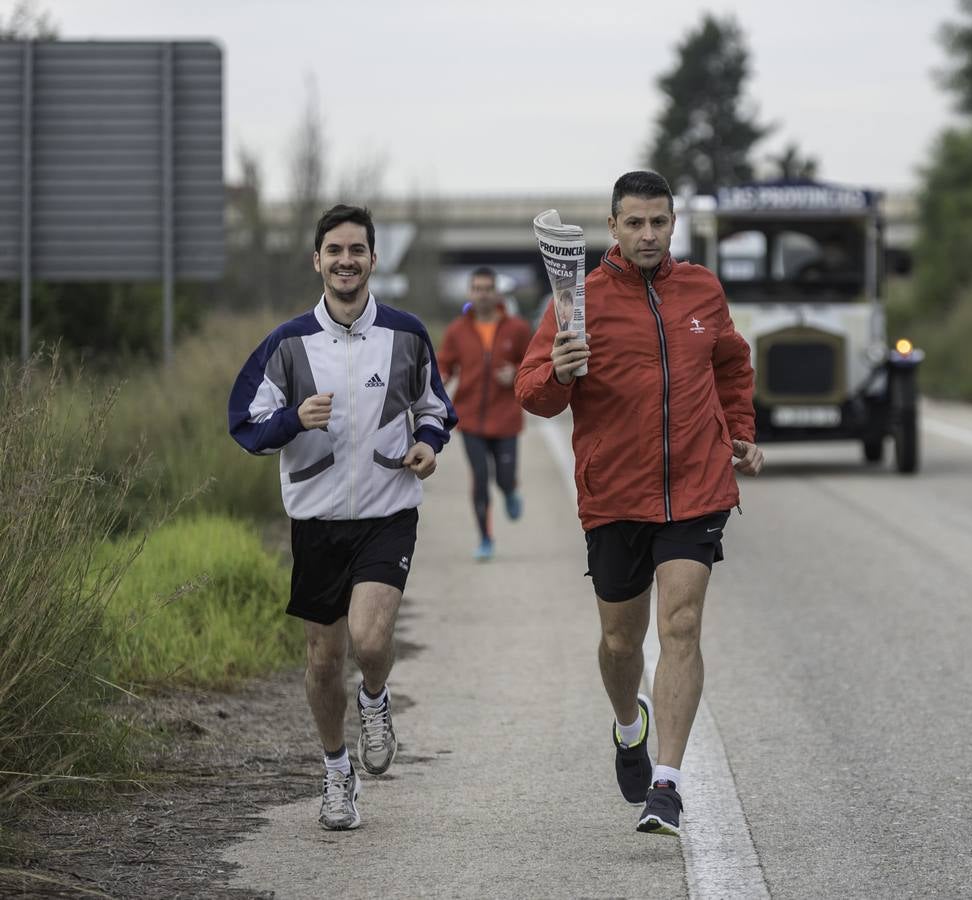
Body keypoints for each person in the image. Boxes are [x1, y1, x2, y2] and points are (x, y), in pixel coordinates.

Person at [516, 170, 764, 836]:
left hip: (696, 485)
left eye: (659, 222)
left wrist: (739, 431)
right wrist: (559, 371)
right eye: (635, 222)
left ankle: (668, 783)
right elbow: (532, 392)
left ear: (672, 224)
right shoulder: (579, 301)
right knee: (621, 640)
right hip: (616, 494)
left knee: (680, 624)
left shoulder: (702, 290)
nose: (648, 234)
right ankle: (631, 725)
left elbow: (731, 365)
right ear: (613, 228)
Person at [227, 204, 457, 831]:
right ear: (318, 260)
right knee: (324, 661)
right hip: (317, 521)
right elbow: (244, 425)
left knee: (373, 638)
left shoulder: (407, 334)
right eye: (335, 251)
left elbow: (436, 407)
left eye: (357, 250)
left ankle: (376, 701)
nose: (346, 261)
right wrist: (292, 419)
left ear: (373, 259)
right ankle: (335, 773)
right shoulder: (288, 342)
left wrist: (428, 445)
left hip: (388, 512)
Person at [436, 266, 533, 560]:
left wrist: (516, 373)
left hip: (505, 418)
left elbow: (533, 363)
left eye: (487, 288)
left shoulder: (517, 328)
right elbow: (445, 365)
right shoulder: (457, 330)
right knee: (479, 479)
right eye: (477, 288)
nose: (482, 294)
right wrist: (439, 381)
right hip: (470, 419)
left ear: (496, 292)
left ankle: (510, 492)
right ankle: (485, 539)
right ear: (470, 292)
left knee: (503, 478)